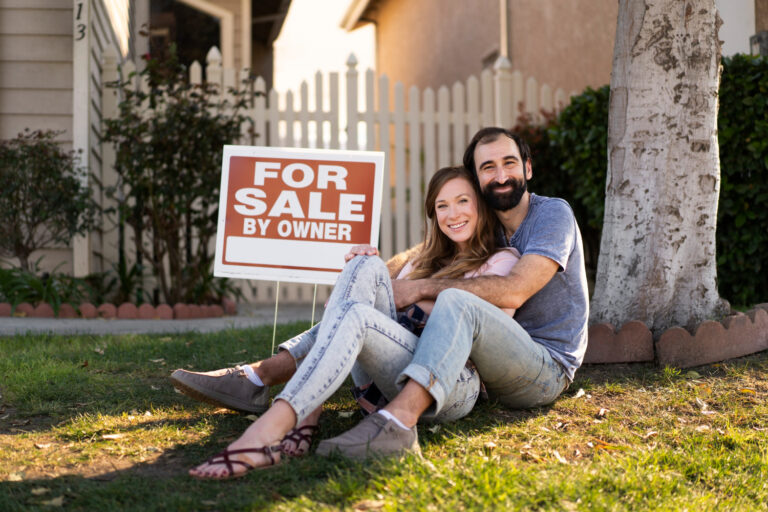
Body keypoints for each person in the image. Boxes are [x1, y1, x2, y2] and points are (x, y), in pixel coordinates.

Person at [182, 165, 521, 479]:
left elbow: (483, 326)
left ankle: (268, 420)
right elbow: (362, 304)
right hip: (384, 378)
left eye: (463, 201)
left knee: (356, 310)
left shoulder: (502, 261)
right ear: (433, 213)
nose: (453, 213)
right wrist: (364, 284)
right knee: (365, 263)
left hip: (449, 385)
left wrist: (410, 295)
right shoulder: (419, 261)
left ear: (481, 207)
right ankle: (287, 398)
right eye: (442, 205)